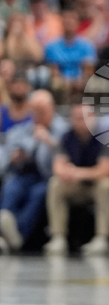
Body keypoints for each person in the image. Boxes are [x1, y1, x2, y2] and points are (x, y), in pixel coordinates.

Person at [45, 103, 109, 256]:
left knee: (106, 185)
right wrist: (70, 174)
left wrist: (78, 173)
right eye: (77, 118)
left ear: (93, 117)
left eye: (84, 117)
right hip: (76, 186)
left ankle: (102, 238)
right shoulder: (67, 137)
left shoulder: (105, 137)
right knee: (55, 184)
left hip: (96, 185)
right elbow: (58, 166)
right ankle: (58, 237)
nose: (81, 121)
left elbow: (107, 169)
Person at [0, 90, 69, 253]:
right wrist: (15, 155)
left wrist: (48, 141)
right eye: (35, 111)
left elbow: (66, 155)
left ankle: (17, 236)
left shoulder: (63, 129)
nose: (38, 115)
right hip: (24, 174)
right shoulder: (25, 128)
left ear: (52, 108)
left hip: (48, 176)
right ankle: (4, 228)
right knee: (11, 187)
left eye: (42, 111)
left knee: (38, 194)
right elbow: (9, 144)